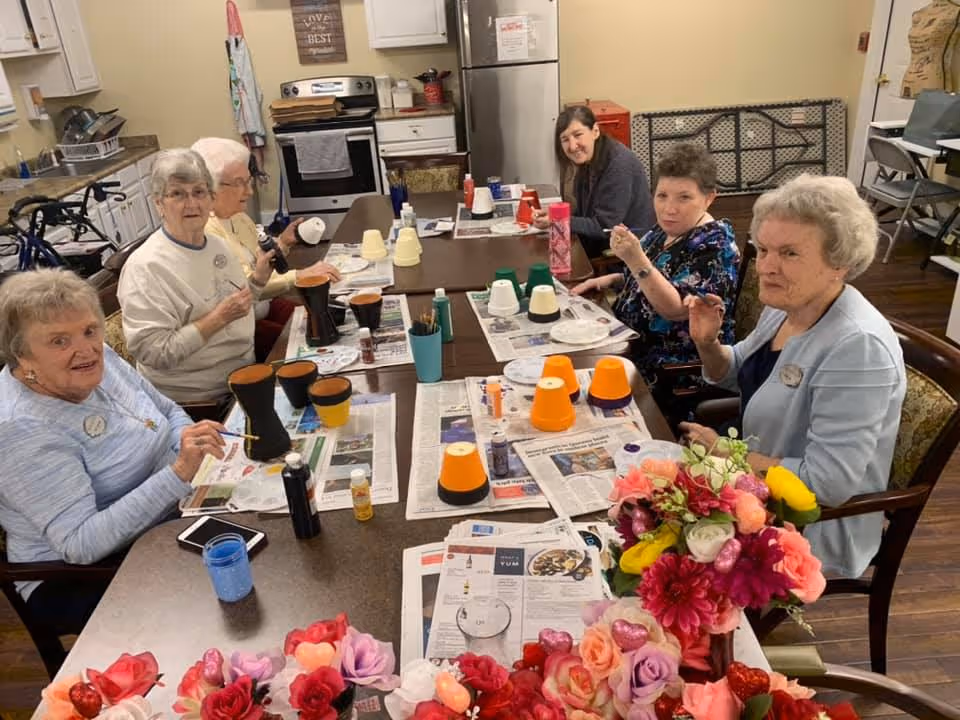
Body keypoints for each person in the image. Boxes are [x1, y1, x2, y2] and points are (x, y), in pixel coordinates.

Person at [679, 174, 907, 579]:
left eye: (789, 254)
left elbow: (829, 483)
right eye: (763, 249)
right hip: (755, 485)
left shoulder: (858, 347)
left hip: (809, 524)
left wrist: (728, 458)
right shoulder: (788, 305)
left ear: (839, 263)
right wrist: (707, 342)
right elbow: (734, 372)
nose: (766, 267)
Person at [0, 269, 227, 634]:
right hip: (78, 577)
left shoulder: (98, 357)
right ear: (21, 356)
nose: (86, 349)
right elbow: (80, 544)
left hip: (163, 519)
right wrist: (179, 474)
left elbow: (168, 412)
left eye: (90, 330)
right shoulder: (21, 429)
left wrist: (186, 452)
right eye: (59, 341)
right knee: (234, 580)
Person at [571, 143, 740, 413]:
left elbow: (674, 308)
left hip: (671, 372)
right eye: (662, 196)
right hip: (630, 347)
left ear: (709, 198)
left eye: (684, 197)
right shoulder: (667, 231)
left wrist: (635, 258)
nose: (669, 209)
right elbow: (648, 275)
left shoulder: (716, 246)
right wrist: (612, 279)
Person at [118, 148, 270, 404]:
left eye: (199, 192)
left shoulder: (218, 246)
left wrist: (257, 281)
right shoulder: (145, 268)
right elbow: (154, 353)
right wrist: (217, 319)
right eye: (177, 194)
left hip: (246, 373)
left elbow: (239, 308)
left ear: (211, 198)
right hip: (200, 401)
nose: (191, 204)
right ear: (158, 204)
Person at [191, 137, 342, 361]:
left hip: (264, 307)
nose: (249, 191)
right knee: (308, 348)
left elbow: (259, 261)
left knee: (327, 319)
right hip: (240, 326)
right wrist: (301, 275)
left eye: (248, 181)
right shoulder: (205, 233)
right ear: (211, 187)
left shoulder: (239, 218)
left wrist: (283, 243)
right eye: (240, 183)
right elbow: (245, 285)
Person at [532, 106, 655, 257]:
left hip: (624, 254)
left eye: (578, 135)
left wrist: (558, 220)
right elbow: (585, 214)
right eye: (565, 139)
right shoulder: (589, 159)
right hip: (598, 242)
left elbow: (604, 227)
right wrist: (556, 214)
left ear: (595, 131)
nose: (572, 146)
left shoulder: (619, 164)